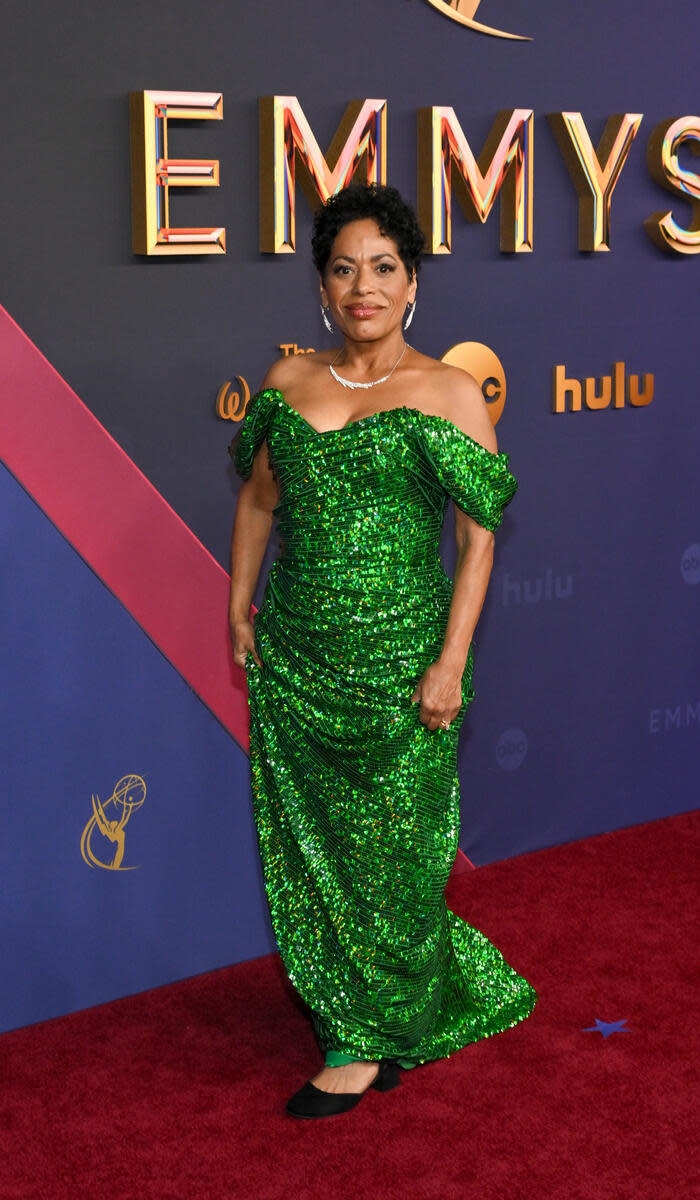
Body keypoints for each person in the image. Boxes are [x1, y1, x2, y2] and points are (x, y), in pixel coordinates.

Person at [228, 182, 537, 1119]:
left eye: (383, 268)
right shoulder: (288, 384)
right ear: (322, 288)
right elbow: (257, 503)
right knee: (313, 849)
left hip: (404, 668)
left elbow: (479, 539)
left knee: (398, 854)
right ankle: (355, 1022)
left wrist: (450, 663)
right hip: (297, 656)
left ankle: (369, 1035)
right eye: (343, 268)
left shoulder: (446, 391)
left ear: (412, 285)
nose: (363, 286)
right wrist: (238, 607)